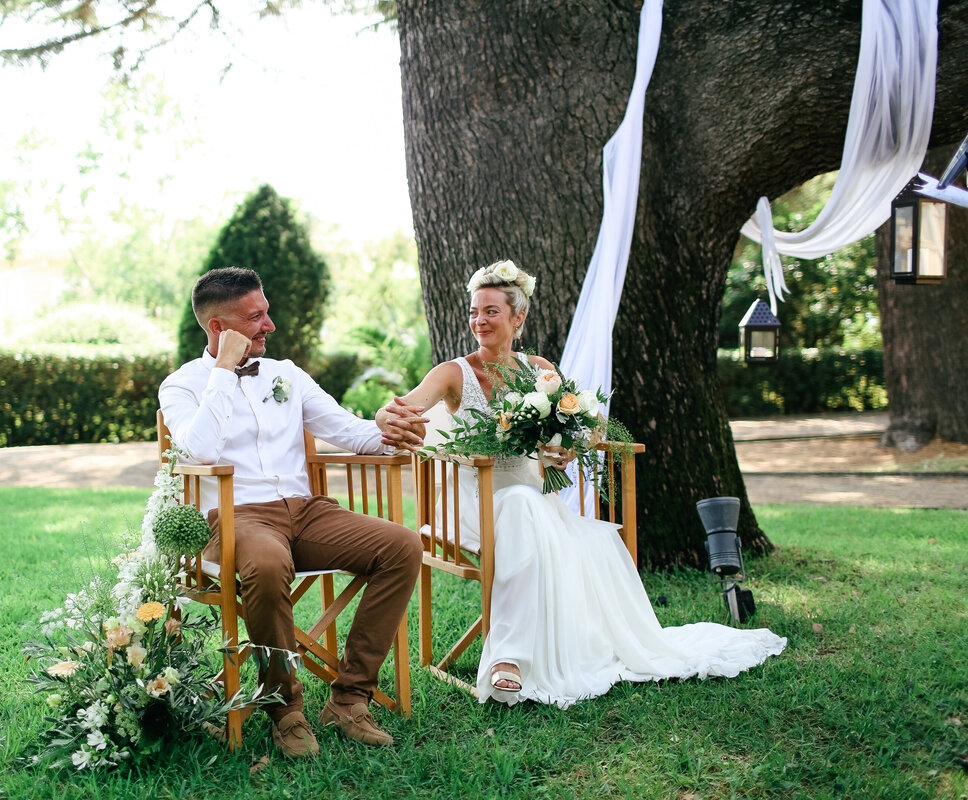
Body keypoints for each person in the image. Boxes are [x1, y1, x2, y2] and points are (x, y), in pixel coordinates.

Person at [377, 259, 787, 707]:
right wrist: (385, 415)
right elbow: (405, 406)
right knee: (517, 503)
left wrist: (570, 447)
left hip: (534, 505)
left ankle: (523, 656)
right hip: (473, 505)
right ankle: (509, 659)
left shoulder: (539, 370)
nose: (480, 320)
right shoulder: (453, 373)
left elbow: (589, 425)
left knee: (525, 504)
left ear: (519, 317)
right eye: (475, 311)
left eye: (492, 311)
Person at [159, 267, 425, 758]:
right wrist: (223, 371)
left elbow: (350, 432)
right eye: (256, 317)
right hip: (235, 517)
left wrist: (388, 428)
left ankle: (349, 698)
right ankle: (286, 710)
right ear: (219, 329)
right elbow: (197, 452)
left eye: (266, 311)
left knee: (402, 545)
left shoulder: (286, 375)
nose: (270, 326)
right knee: (265, 563)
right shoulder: (182, 386)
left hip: (306, 512)